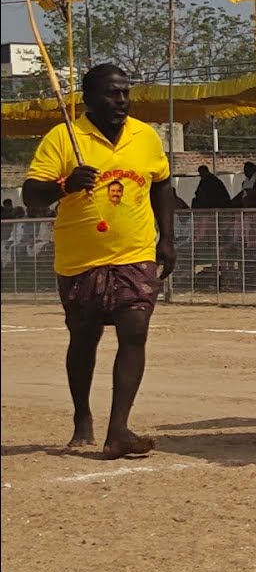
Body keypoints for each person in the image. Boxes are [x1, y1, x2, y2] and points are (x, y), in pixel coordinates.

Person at [22, 63, 176, 460]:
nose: (121, 101)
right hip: (81, 260)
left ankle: (118, 429)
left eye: (125, 92)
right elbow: (30, 195)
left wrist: (168, 238)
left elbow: (162, 183)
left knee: (135, 330)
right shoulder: (64, 137)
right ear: (88, 98)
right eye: (112, 93)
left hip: (135, 254)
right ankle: (82, 419)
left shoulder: (146, 136)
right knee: (84, 338)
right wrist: (64, 184)